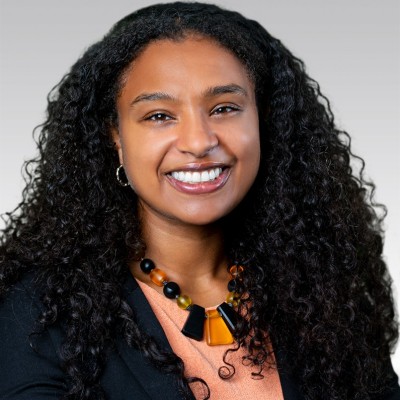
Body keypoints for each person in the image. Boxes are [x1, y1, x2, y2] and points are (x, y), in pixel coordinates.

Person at [0, 2, 398, 399]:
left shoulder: (323, 289)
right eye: (159, 115)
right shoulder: (36, 313)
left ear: (263, 121)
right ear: (115, 137)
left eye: (224, 108)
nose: (198, 142)